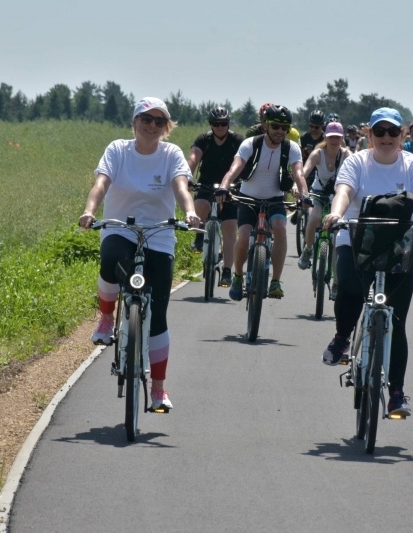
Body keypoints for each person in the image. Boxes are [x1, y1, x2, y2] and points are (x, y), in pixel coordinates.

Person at [321, 108, 413, 417]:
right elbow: (344, 191)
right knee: (350, 289)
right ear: (370, 136)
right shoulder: (356, 162)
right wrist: (336, 214)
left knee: (397, 321)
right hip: (355, 237)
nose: (386, 138)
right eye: (380, 132)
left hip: (400, 244)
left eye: (393, 132)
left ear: (403, 135)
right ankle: (342, 337)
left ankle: (397, 393)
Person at [79, 97, 199, 411]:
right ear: (135, 122)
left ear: (167, 127)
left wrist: (189, 213)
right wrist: (90, 211)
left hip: (159, 235)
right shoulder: (118, 150)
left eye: (160, 121)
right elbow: (101, 183)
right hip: (121, 229)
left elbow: (181, 187)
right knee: (110, 260)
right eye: (146, 119)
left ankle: (158, 389)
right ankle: (106, 319)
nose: (152, 126)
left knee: (158, 316)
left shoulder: (171, 154)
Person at [217, 104, 309, 300]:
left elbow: (299, 173)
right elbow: (235, 167)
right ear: (266, 125)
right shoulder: (251, 143)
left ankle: (275, 281)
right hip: (248, 198)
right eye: (276, 126)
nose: (280, 131)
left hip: (275, 199)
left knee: (280, 229)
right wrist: (224, 186)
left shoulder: (291, 147)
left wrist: (305, 194)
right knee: (243, 236)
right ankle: (238, 276)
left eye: (285, 128)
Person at [187, 106, 244, 286]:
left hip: (231, 187)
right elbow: (194, 159)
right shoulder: (204, 139)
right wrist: (187, 177)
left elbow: (242, 162)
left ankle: (227, 271)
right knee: (200, 205)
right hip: (206, 183)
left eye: (223, 123)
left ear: (228, 124)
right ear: (211, 125)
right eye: (216, 124)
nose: (220, 127)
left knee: (229, 228)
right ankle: (198, 237)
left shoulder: (237, 141)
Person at [297, 121, 352, 277]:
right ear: (325, 137)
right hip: (318, 193)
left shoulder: (347, 155)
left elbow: (357, 174)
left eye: (337, 137)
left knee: (337, 237)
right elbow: (304, 171)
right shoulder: (318, 153)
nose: (334, 140)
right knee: (314, 218)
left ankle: (336, 281)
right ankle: (307, 250)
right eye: (331, 137)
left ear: (342, 138)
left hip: (338, 196)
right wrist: (297, 186)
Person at [300, 110, 326, 190]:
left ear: (322, 126)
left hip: (320, 172)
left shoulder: (325, 139)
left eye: (316, 127)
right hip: (306, 171)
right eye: (311, 126)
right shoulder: (304, 138)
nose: (313, 129)